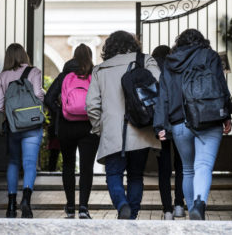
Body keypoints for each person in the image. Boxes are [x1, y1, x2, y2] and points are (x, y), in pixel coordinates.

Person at [154, 29, 232, 220]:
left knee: (188, 168)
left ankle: (193, 215)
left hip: (179, 122)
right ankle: (199, 203)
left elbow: (162, 96)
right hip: (208, 118)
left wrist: (160, 125)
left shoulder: (170, 62)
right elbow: (221, 85)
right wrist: (227, 113)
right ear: (201, 41)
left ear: (178, 42)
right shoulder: (210, 56)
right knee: (203, 165)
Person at [86, 31, 161, 220]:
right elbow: (160, 89)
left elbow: (91, 105)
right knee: (136, 175)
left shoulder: (100, 70)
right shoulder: (145, 61)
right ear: (133, 44)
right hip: (141, 129)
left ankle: (122, 206)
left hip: (112, 132)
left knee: (114, 174)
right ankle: (132, 215)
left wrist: (100, 128)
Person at [44, 44, 99, 219]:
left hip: (67, 126)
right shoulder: (94, 75)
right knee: (86, 168)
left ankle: (69, 206)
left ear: (73, 57)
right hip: (89, 127)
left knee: (68, 165)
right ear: (90, 57)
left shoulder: (64, 76)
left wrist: (60, 112)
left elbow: (48, 98)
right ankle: (83, 207)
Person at [0, 43, 44, 218]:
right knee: (30, 164)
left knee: (14, 163)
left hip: (13, 126)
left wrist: (13, 111)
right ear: (24, 55)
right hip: (32, 125)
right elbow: (38, 95)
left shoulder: (3, 76)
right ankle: (26, 201)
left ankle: (10, 205)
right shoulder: (34, 72)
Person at [151, 45, 185, 220]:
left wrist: (157, 126)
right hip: (179, 122)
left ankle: (167, 210)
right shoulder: (179, 68)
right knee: (181, 166)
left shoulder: (152, 69)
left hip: (161, 123)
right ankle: (179, 204)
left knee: (163, 170)